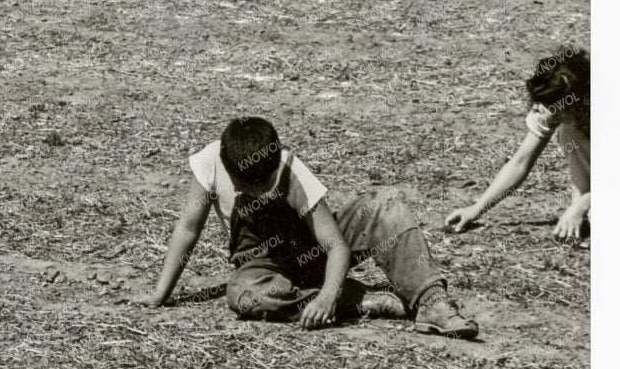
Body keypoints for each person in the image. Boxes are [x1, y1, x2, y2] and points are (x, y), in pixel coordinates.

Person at [143, 115, 478, 338]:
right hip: (266, 268)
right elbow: (188, 230)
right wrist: (160, 294)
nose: (262, 194)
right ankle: (359, 301)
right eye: (251, 189)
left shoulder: (292, 169)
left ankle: (432, 301)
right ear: (232, 173)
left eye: (269, 185)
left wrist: (327, 294)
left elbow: (335, 245)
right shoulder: (207, 165)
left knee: (386, 204)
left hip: (316, 251)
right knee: (242, 295)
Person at [446, 45, 589, 244]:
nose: (542, 110)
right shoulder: (555, 110)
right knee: (570, 132)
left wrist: (582, 206)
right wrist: (476, 209)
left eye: (552, 107)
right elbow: (520, 162)